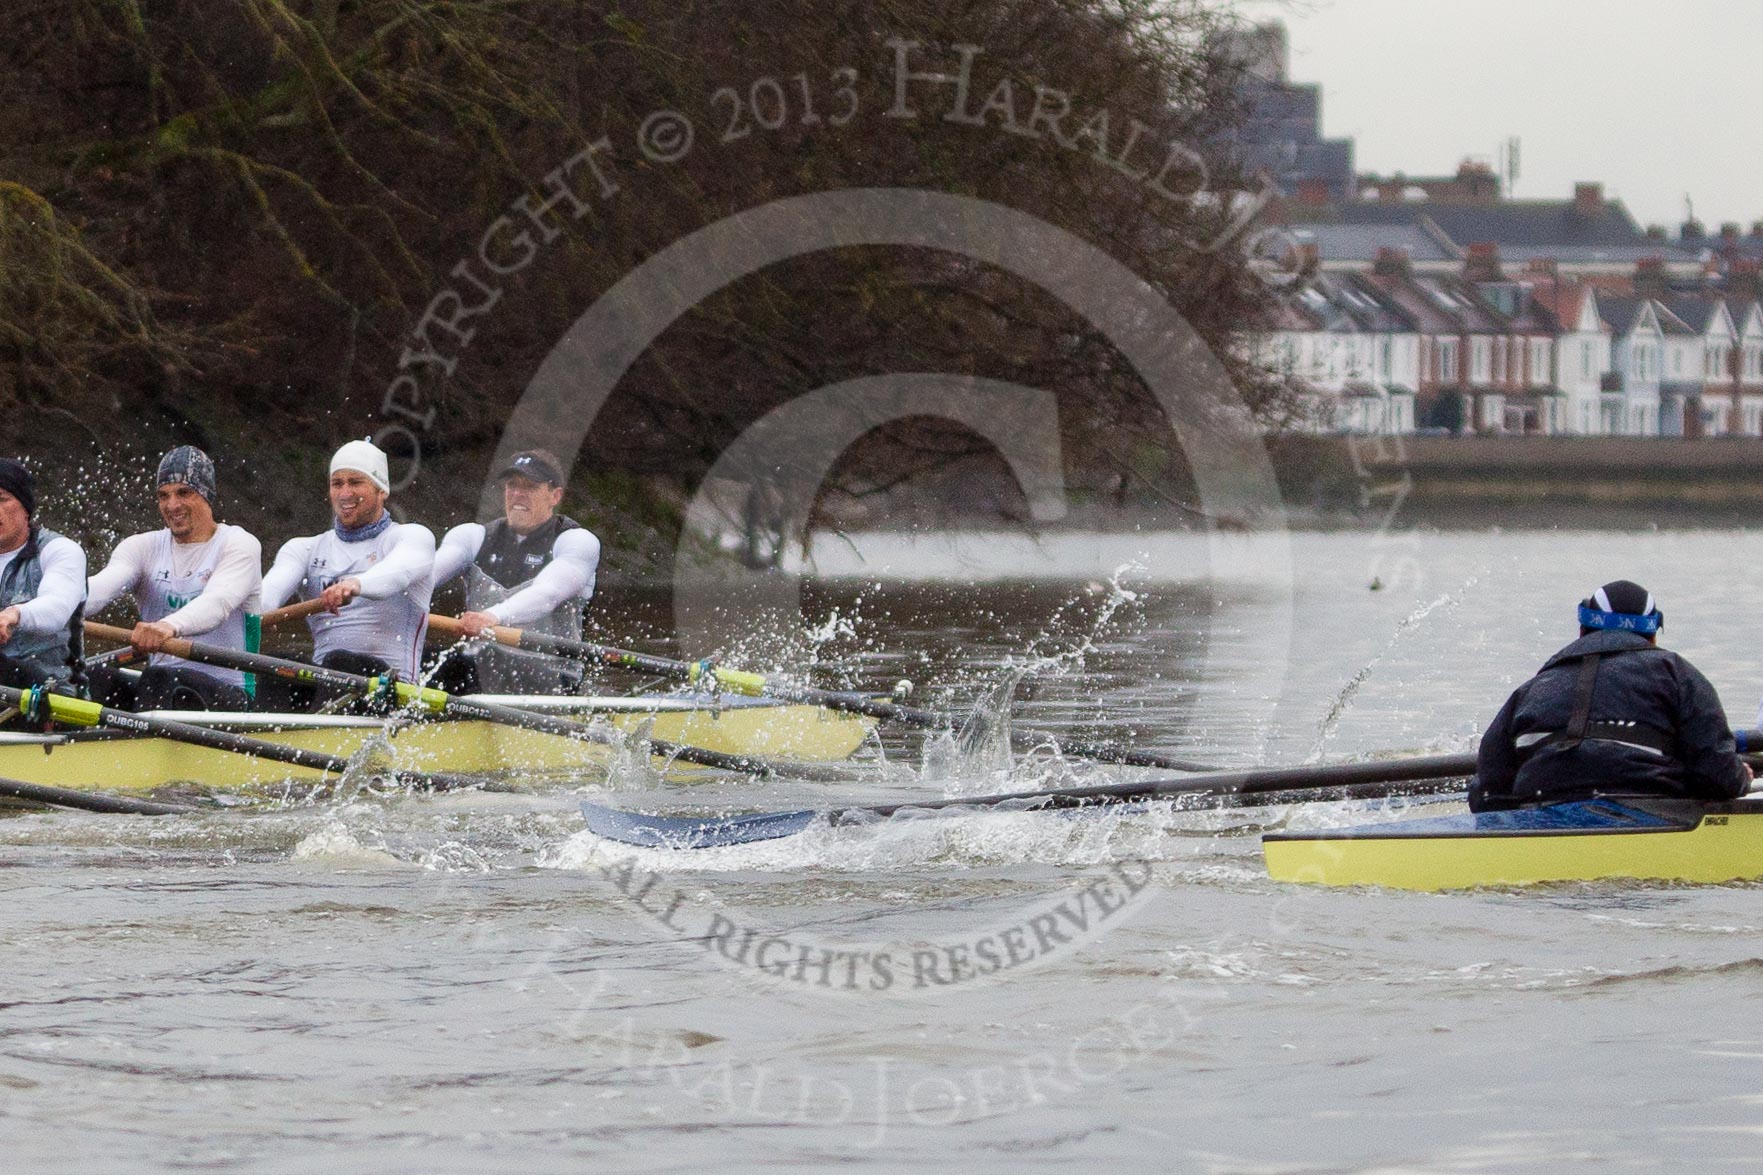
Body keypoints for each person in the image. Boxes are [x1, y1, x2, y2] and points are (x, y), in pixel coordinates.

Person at [1470, 580, 1750, 812]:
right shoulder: (1677, 673)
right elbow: (1717, 776)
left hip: (1541, 801)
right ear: (1652, 637)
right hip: (1647, 805)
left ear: (1582, 631)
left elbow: (1486, 795)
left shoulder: (1533, 688)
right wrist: (1741, 777)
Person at [85, 446, 262, 711]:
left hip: (232, 696)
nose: (172, 505)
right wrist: (40, 608)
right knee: (94, 676)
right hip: (162, 693)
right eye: (163, 495)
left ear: (207, 495)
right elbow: (98, 588)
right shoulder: (142, 547)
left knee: (161, 678)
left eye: (184, 493)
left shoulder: (239, 545)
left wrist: (167, 626)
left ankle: (139, 746)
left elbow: (217, 604)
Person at [259, 440, 435, 683]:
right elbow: (270, 591)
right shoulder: (303, 548)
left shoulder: (412, 537)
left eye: (355, 482)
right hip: (327, 682)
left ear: (381, 489)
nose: (345, 493)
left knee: (340, 661)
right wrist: (259, 611)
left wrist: (354, 585)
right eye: (337, 483)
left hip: (392, 690)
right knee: (277, 664)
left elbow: (398, 573)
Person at [430, 449, 600, 693]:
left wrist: (491, 617)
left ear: (555, 496)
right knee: (424, 659)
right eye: (512, 485)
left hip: (553, 678)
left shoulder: (577, 542)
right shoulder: (472, 537)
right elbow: (425, 577)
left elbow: (548, 593)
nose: (518, 495)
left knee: (476, 659)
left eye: (530, 487)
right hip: (478, 669)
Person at [0, 459, 87, 692]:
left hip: (54, 689)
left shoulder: (61, 550)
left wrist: (14, 614)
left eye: (2, 499)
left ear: (26, 509)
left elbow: (56, 608)